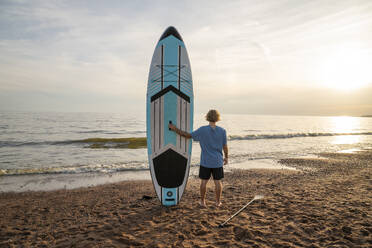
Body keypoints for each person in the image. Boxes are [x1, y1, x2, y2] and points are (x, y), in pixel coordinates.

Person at [168, 109, 228, 207]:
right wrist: (226, 157)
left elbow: (187, 135)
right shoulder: (222, 131)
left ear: (207, 117)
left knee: (204, 182)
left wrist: (174, 129)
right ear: (217, 118)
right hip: (217, 161)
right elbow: (225, 146)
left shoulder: (202, 130)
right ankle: (218, 202)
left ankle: (203, 202)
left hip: (206, 161)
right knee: (218, 182)